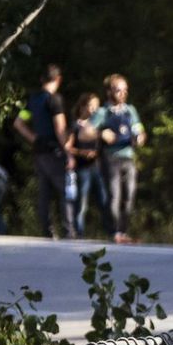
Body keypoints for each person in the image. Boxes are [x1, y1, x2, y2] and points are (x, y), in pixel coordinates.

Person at [12, 63, 75, 239]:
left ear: (42, 79)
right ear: (58, 79)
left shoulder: (32, 99)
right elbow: (60, 128)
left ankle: (47, 230)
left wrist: (34, 138)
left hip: (39, 150)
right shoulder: (54, 99)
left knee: (44, 192)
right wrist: (68, 152)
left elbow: (18, 123)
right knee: (64, 191)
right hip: (54, 150)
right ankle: (68, 231)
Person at [90, 73, 147, 244]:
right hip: (111, 157)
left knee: (129, 195)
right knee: (114, 195)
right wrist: (101, 133)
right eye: (118, 90)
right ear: (109, 92)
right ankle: (114, 231)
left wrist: (140, 137)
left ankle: (123, 230)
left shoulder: (131, 110)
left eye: (125, 90)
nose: (122, 93)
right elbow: (85, 132)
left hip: (128, 157)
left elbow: (140, 130)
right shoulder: (103, 112)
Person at [66, 93, 111, 238]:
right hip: (82, 168)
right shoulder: (75, 126)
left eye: (96, 107)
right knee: (82, 203)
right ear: (82, 106)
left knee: (104, 200)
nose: (93, 110)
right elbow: (68, 146)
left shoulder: (97, 125)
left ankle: (111, 232)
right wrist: (81, 152)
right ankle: (79, 233)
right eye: (90, 106)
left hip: (97, 167)